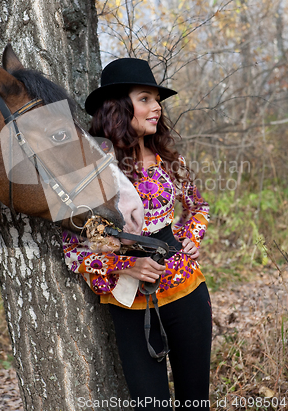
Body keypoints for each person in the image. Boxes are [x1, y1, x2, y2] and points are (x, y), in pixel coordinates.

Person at [63, 58, 212, 410]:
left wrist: (191, 235)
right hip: (131, 306)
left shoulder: (168, 160)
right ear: (118, 108)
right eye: (145, 98)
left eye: (157, 100)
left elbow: (199, 207)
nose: (157, 107)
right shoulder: (95, 171)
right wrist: (123, 267)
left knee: (196, 403)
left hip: (189, 294)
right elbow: (71, 250)